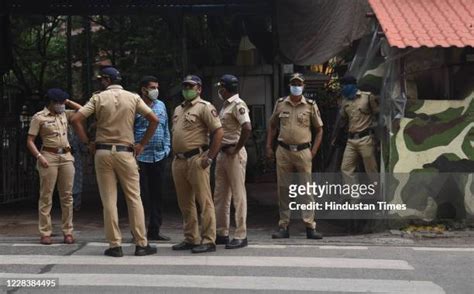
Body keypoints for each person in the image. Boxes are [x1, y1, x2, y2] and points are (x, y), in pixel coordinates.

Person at [71, 67, 159, 257]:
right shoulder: (133, 97)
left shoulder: (98, 98)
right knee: (134, 198)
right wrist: (142, 144)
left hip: (102, 152)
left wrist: (88, 143)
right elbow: (154, 119)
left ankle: (115, 245)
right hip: (126, 152)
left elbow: (77, 119)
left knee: (109, 200)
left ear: (106, 81)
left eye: (101, 80)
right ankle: (141, 244)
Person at [266, 73, 324, 239]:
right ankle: (283, 226)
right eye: (293, 83)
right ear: (289, 85)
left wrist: (313, 152)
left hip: (303, 151)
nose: (296, 86)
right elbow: (272, 126)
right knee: (283, 190)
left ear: (303, 86)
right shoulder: (280, 104)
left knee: (306, 190)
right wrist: (268, 146)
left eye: (299, 83)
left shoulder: (310, 106)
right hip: (283, 151)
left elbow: (319, 130)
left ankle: (309, 226)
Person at [171, 75, 224, 254]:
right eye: (185, 86)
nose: (187, 89)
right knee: (185, 202)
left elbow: (218, 132)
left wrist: (210, 157)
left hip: (197, 158)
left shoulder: (205, 107)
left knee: (204, 201)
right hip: (179, 160)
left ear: (199, 88)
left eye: (191, 86)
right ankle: (191, 238)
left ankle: (209, 239)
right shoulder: (178, 109)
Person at [26, 88, 82, 245]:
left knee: (67, 196)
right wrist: (39, 156)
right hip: (48, 156)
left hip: (66, 156)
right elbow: (30, 140)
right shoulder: (39, 117)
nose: (62, 105)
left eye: (63, 103)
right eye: (59, 102)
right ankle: (45, 232)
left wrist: (68, 101)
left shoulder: (65, 114)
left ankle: (68, 231)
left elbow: (83, 110)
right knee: (46, 195)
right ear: (51, 102)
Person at [213, 74, 252, 249]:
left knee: (238, 195)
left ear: (226, 89)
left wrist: (236, 149)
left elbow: (247, 127)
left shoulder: (238, 105)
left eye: (220, 88)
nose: (219, 91)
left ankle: (241, 235)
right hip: (222, 153)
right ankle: (222, 232)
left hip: (234, 154)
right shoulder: (225, 106)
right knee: (221, 195)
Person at [134, 75, 171, 241]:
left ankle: (154, 230)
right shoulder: (135, 105)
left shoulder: (161, 105)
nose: (156, 90)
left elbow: (166, 127)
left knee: (158, 194)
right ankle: (139, 231)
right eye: (152, 87)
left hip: (159, 156)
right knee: (139, 195)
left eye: (157, 87)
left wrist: (167, 148)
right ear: (143, 89)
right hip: (140, 157)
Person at [332, 75, 379, 182]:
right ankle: (355, 198)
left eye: (344, 86)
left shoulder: (367, 97)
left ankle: (378, 195)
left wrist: (377, 136)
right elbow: (343, 120)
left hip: (365, 139)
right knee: (346, 169)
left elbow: (377, 114)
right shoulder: (345, 101)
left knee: (371, 170)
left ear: (352, 85)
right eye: (342, 86)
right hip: (351, 140)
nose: (342, 88)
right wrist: (337, 137)